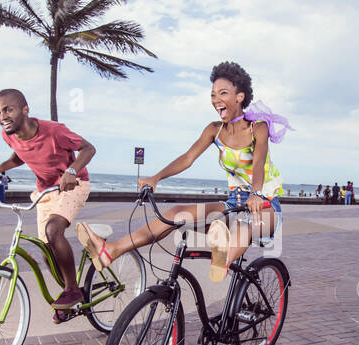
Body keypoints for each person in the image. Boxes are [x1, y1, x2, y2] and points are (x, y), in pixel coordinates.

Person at [77, 61, 290, 284]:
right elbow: (188, 158)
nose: (216, 100)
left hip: (265, 205)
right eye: (213, 95)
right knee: (176, 213)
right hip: (234, 202)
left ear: (239, 97)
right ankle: (112, 250)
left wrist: (256, 192)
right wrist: (156, 177)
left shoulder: (258, 128)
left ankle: (222, 260)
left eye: (223, 93)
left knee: (244, 225)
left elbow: (258, 162)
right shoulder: (214, 130)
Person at [0, 89, 95, 317]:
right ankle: (69, 294)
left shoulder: (54, 131)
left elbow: (88, 148)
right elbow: (20, 155)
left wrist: (71, 171)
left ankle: (73, 290)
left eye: (8, 110)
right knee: (46, 249)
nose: (2, 116)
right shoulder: (9, 134)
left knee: (54, 230)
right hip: (45, 192)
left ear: (25, 110)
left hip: (74, 185)